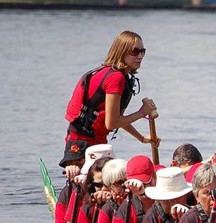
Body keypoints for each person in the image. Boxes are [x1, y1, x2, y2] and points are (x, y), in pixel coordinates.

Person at [61, 30, 158, 169]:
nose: (140, 56)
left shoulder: (115, 75)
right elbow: (112, 123)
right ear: (121, 51)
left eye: (143, 51)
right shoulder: (115, 78)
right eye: (135, 51)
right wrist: (142, 112)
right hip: (84, 146)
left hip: (88, 141)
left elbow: (116, 118)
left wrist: (141, 138)